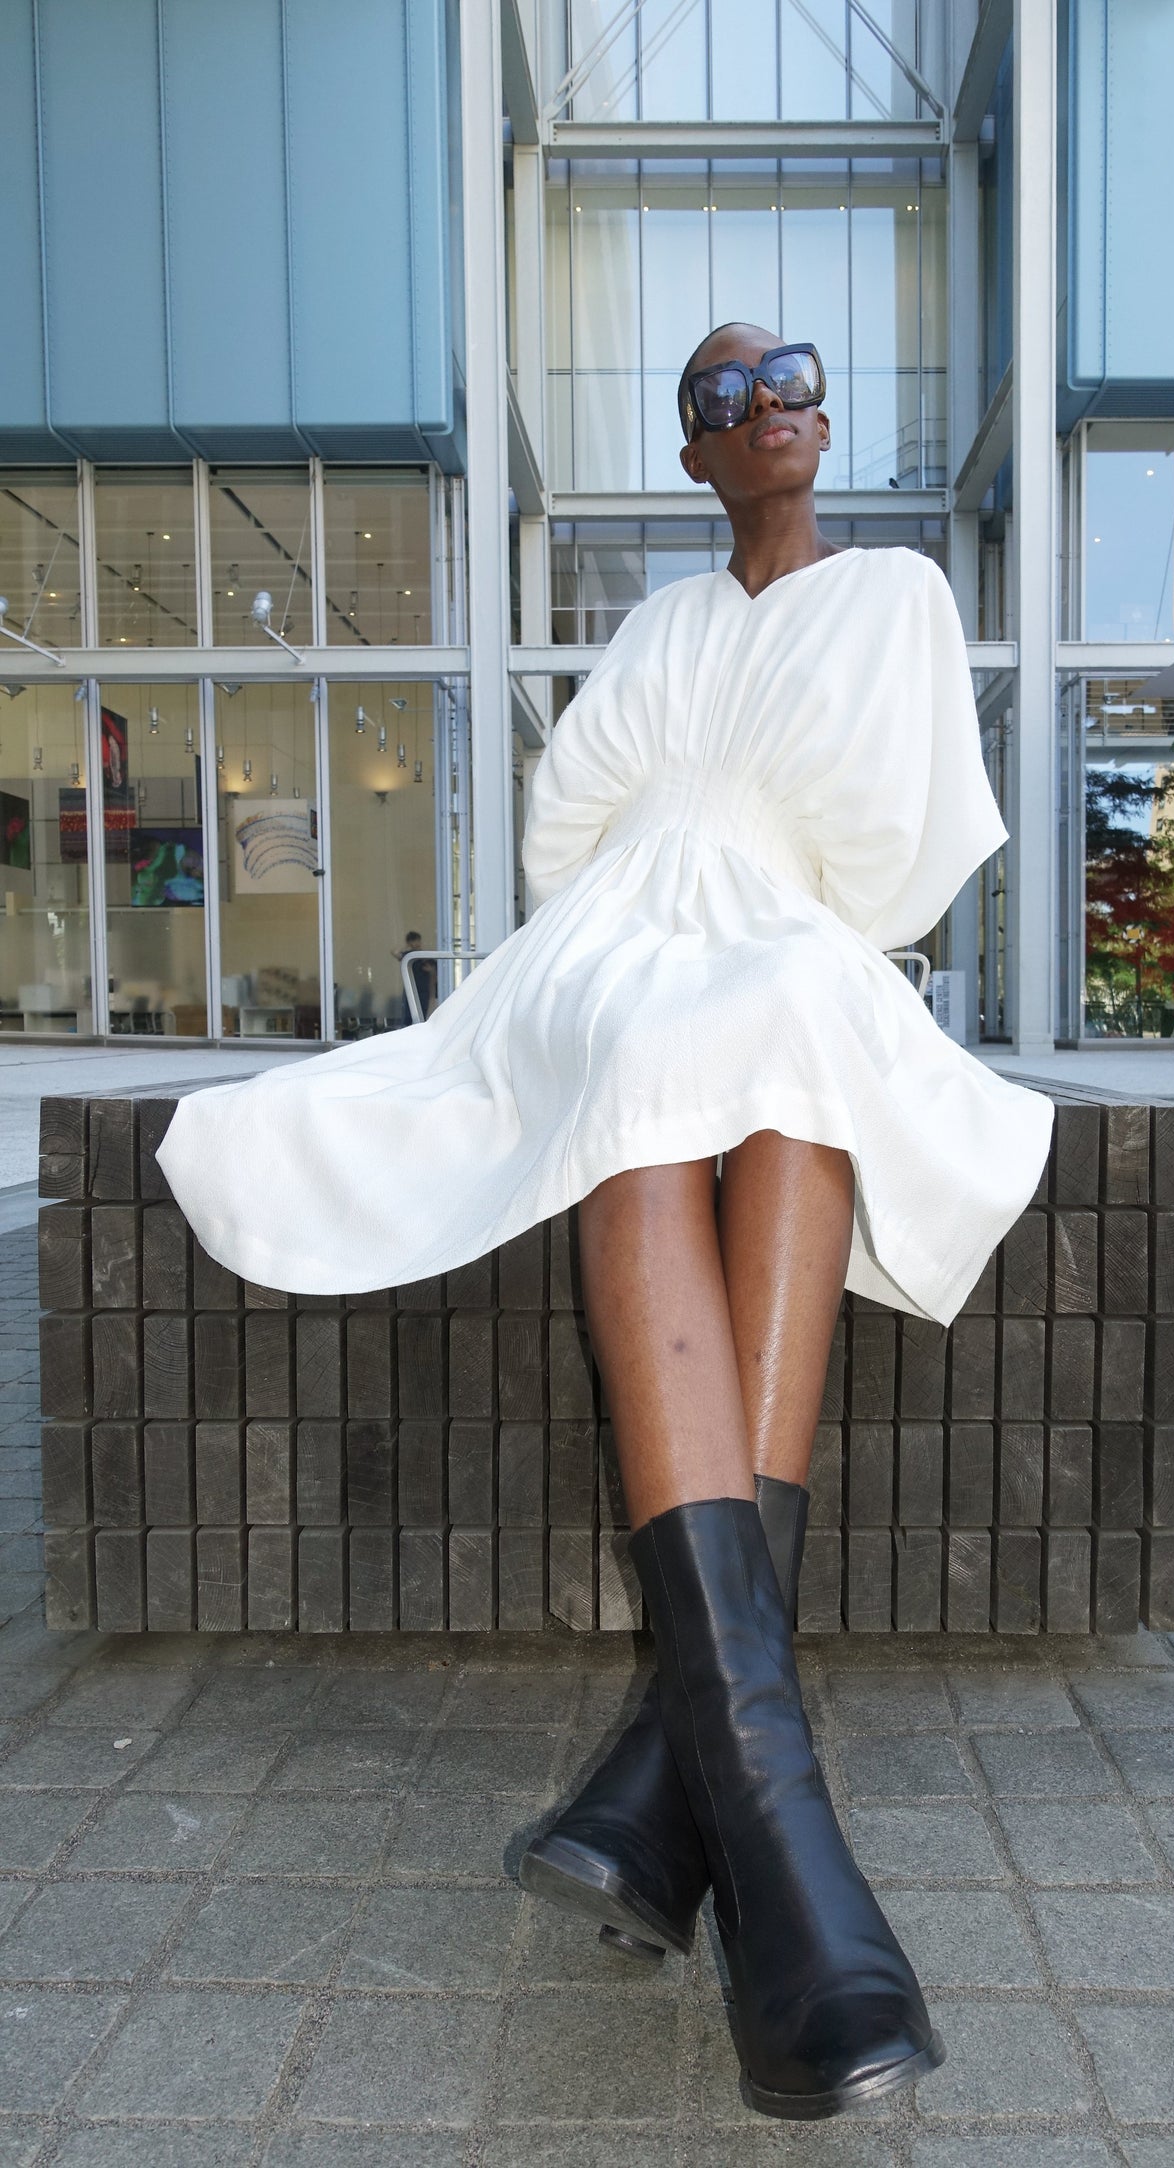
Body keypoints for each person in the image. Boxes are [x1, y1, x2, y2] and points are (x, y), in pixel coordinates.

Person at [155, 321, 1053, 2121]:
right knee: (642, 1054)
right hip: (618, 930)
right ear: (696, 451)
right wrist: (678, 871)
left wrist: (743, 869)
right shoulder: (653, 628)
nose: (766, 403)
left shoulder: (892, 594)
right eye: (721, 396)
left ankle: (679, 1786)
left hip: (787, 922)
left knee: (802, 1030)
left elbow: (885, 860)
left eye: (789, 373)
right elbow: (571, 841)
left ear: (823, 409)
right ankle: (771, 1826)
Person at [391, 929, 436, 1019]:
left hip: (423, 990)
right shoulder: (408, 955)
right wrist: (406, 947)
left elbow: (434, 974)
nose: (417, 943)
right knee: (408, 1016)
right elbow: (394, 952)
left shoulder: (425, 956)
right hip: (410, 989)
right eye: (414, 941)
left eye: (418, 940)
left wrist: (431, 971)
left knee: (421, 1015)